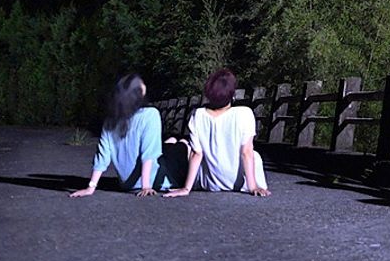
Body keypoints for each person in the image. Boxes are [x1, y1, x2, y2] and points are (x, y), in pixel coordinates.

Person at [70, 73, 185, 197]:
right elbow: (149, 152)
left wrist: (90, 187)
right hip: (155, 181)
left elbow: (102, 157)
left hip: (126, 185)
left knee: (171, 141)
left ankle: (171, 144)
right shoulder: (150, 114)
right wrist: (146, 186)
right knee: (183, 145)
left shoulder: (110, 121)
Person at [167, 68, 269, 197]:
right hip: (240, 182)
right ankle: (252, 183)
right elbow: (246, 152)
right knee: (255, 155)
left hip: (211, 182)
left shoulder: (198, 115)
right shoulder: (244, 113)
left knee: (183, 146)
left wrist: (186, 188)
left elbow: (197, 154)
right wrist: (253, 187)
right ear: (232, 94)